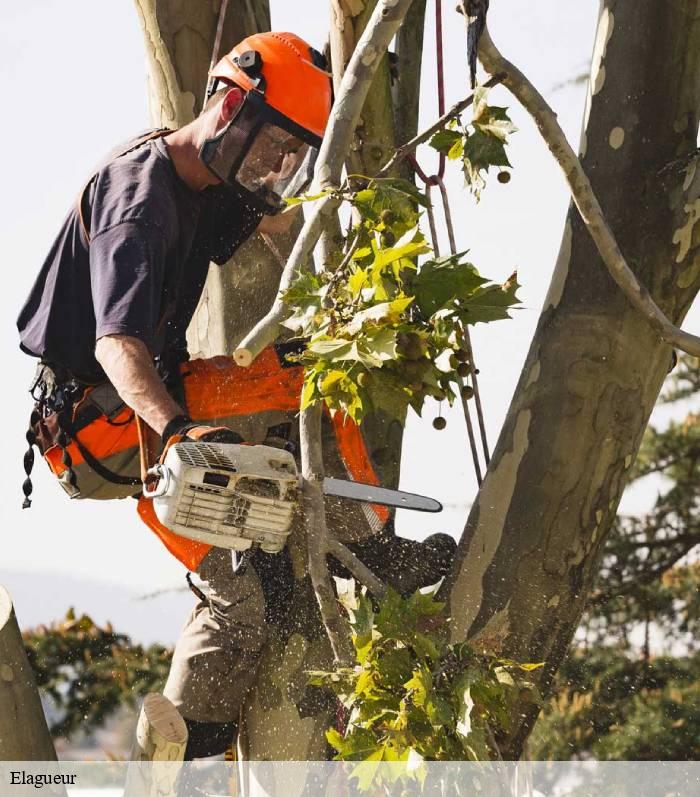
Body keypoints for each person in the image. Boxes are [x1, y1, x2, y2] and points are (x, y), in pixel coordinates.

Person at [17, 31, 455, 758]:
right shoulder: (140, 202)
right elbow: (116, 344)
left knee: (250, 584)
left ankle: (193, 739)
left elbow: (282, 221)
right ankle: (365, 553)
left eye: (293, 152)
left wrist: (353, 169)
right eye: (275, 143)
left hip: (145, 405)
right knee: (301, 381)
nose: (278, 164)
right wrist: (177, 430)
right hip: (104, 420)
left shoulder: (207, 183)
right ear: (228, 107)